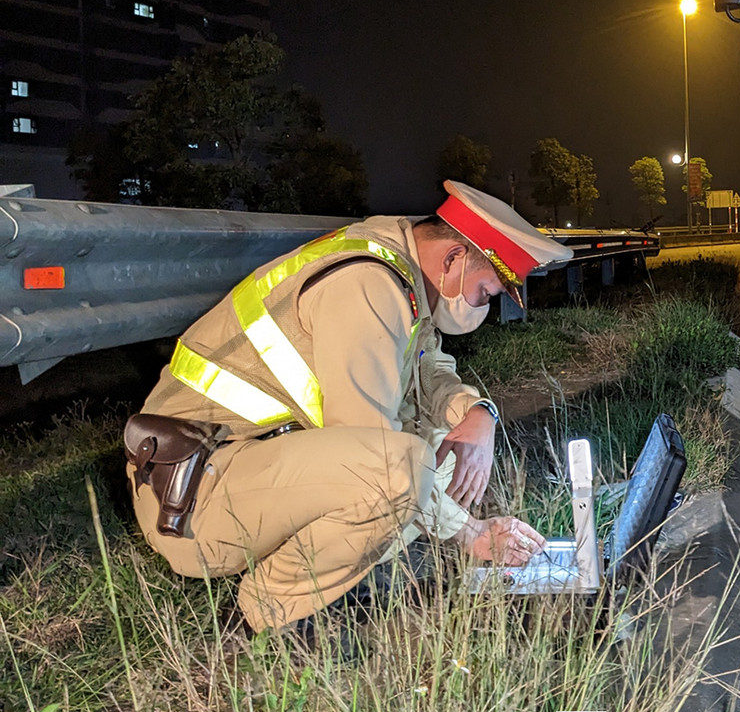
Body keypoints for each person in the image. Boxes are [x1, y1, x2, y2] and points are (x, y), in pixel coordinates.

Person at [126, 180, 572, 637]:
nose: (487, 304)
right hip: (191, 500)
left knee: (439, 447)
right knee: (400, 470)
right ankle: (264, 615)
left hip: (239, 465)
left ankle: (324, 573)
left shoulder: (402, 270)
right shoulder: (368, 287)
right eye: (489, 291)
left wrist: (479, 414)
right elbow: (377, 456)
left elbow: (428, 367)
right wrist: (470, 532)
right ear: (454, 259)